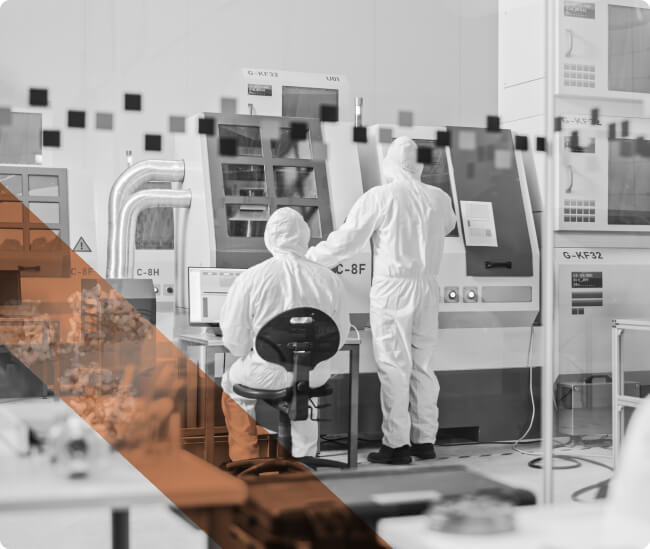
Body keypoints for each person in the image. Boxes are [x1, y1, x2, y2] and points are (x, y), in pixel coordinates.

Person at [307, 136, 457, 465]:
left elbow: (346, 242)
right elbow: (448, 226)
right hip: (428, 287)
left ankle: (396, 446)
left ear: (390, 162)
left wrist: (307, 259)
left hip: (394, 288)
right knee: (423, 366)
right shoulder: (439, 198)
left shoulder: (381, 197)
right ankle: (424, 440)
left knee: (394, 367)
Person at [220, 207, 350, 461]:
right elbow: (340, 334)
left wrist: (249, 348)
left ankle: (244, 459)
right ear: (304, 236)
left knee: (231, 385)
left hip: (265, 372)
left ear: (269, 237)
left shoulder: (252, 278)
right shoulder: (329, 279)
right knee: (302, 392)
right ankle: (304, 460)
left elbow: (234, 340)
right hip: (315, 374)